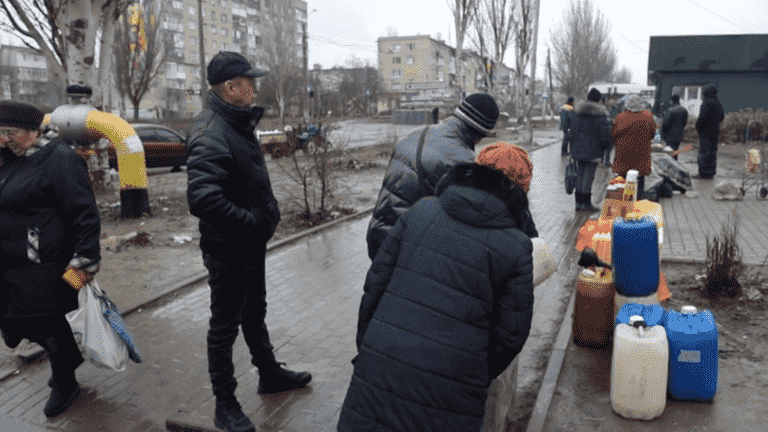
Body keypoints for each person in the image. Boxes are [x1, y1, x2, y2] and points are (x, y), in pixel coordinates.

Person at [338, 142, 538, 432]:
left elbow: (374, 288)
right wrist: (474, 375)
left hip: (382, 365)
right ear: (521, 192)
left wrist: (370, 348)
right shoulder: (517, 247)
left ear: (475, 172)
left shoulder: (419, 212)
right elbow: (511, 336)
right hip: (453, 393)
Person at [186, 51, 311, 432]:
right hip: (229, 247)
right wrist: (252, 222)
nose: (255, 88)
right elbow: (202, 198)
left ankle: (269, 374)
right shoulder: (212, 130)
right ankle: (224, 404)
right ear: (231, 87)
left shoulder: (235, 122)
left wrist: (258, 223)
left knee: (254, 310)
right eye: (249, 82)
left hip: (248, 244)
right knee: (225, 324)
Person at [0, 101, 101, 418]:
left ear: (33, 132)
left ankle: (65, 381)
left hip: (49, 264)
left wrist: (85, 262)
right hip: (15, 263)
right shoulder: (13, 159)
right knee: (15, 319)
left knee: (47, 318)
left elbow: (84, 212)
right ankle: (68, 358)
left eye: (9, 133)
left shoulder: (59, 158)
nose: (4, 139)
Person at [366, 93, 499, 260]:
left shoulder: (412, 136)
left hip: (378, 237)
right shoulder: (462, 160)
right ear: (480, 134)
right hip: (408, 251)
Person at [569, 88, 613, 212]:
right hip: (594, 150)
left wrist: (572, 148)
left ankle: (578, 203)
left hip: (577, 149)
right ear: (599, 100)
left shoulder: (577, 113)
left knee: (580, 175)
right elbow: (604, 135)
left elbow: (571, 132)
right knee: (588, 176)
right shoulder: (600, 115)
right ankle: (586, 203)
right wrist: (605, 148)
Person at [610, 94, 657, 198]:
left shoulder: (621, 117)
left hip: (624, 155)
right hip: (641, 154)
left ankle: (624, 204)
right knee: (639, 179)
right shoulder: (648, 116)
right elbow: (652, 134)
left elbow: (614, 134)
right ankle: (637, 202)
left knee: (622, 180)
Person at [694, 83, 725, 179]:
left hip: (705, 134)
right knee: (712, 153)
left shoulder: (706, 103)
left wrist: (698, 127)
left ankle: (703, 173)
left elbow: (702, 118)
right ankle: (711, 172)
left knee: (704, 153)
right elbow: (722, 117)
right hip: (715, 133)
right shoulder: (718, 103)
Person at [661, 94, 689, 161]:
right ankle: (676, 164)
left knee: (669, 152)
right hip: (679, 134)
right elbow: (685, 123)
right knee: (675, 151)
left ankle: (672, 166)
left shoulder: (670, 110)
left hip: (670, 135)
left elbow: (665, 124)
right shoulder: (684, 110)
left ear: (672, 101)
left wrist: (663, 134)